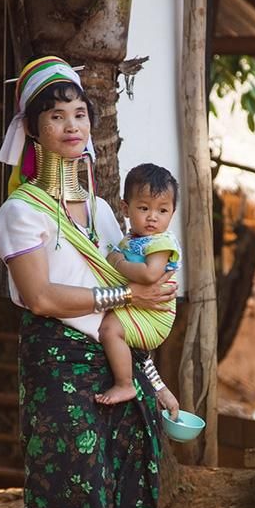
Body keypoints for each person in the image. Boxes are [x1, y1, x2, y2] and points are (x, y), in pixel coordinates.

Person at [0, 55, 179, 508]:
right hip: (53, 367)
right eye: (56, 114)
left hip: (108, 360)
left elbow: (129, 312)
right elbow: (42, 298)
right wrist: (123, 299)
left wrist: (152, 382)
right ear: (34, 130)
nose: (71, 124)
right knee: (72, 500)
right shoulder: (22, 212)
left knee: (128, 494)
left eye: (79, 113)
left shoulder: (100, 213)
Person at [95, 163, 181, 405]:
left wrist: (117, 261)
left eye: (162, 211)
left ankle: (125, 384)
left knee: (110, 330)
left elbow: (149, 275)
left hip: (156, 315)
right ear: (125, 208)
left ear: (172, 213)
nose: (152, 217)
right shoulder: (133, 239)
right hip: (141, 305)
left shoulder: (160, 243)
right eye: (144, 208)